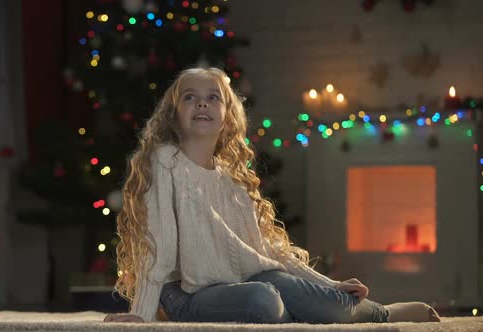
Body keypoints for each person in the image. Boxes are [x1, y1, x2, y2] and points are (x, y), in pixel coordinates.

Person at [103, 67, 440, 324]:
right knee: (262, 300)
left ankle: (384, 314)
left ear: (228, 117)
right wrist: (143, 316)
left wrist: (329, 284)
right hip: (187, 294)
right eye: (189, 96)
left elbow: (267, 250)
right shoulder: (166, 161)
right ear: (173, 115)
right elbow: (158, 246)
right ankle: (306, 314)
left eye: (213, 96)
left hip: (248, 278)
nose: (202, 102)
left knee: (286, 288)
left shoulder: (231, 179)